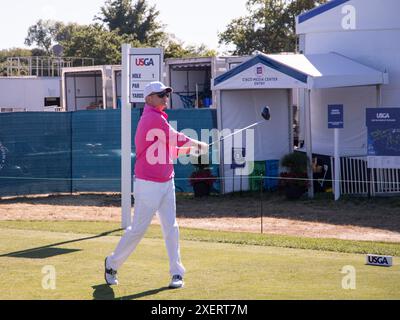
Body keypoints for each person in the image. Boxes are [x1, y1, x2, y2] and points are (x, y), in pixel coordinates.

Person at [104, 81, 208, 289]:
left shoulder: (158, 118)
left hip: (166, 182)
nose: (165, 97)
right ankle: (112, 264)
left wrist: (190, 150)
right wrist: (196, 144)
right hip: (148, 184)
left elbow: (168, 149)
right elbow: (174, 138)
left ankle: (177, 273)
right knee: (138, 230)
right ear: (149, 99)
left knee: (171, 227)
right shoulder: (152, 118)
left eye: (166, 94)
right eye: (161, 95)